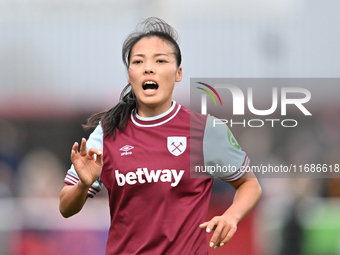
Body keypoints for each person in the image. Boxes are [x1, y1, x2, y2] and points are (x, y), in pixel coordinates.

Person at [59, 17, 262, 255]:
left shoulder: (205, 130)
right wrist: (84, 184)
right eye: (138, 61)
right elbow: (65, 208)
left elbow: (250, 184)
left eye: (160, 60)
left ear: (178, 73)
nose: (148, 67)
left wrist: (231, 216)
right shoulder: (108, 132)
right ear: (129, 75)